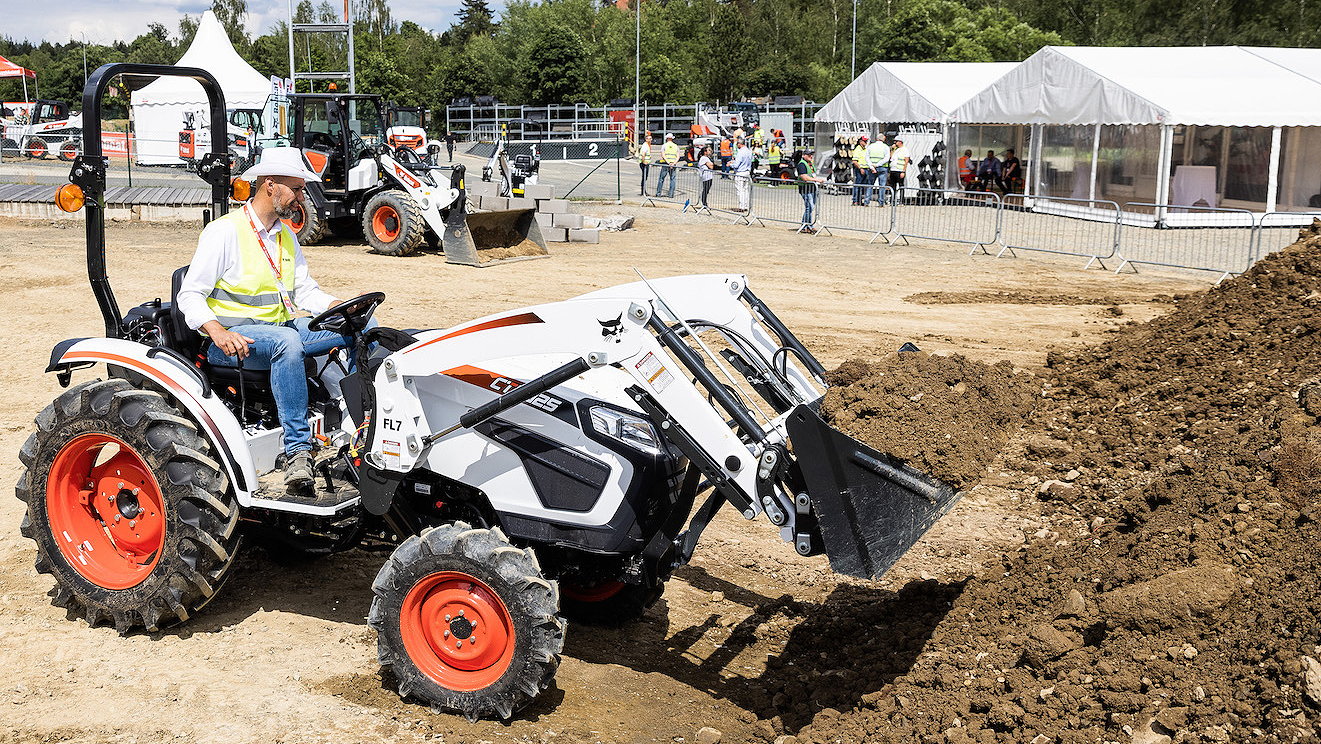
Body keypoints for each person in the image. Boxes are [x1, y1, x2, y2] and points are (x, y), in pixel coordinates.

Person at [177, 147, 357, 492]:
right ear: (270, 185)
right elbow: (190, 295)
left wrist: (338, 306)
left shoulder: (285, 236)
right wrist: (215, 330)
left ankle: (359, 428)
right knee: (287, 343)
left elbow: (304, 292)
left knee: (361, 326)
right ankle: (298, 451)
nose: (302, 197)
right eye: (297, 189)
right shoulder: (225, 232)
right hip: (230, 341)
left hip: (278, 330)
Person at [793, 149, 823, 233]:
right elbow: (804, 177)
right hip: (805, 189)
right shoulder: (802, 164)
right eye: (809, 154)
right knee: (809, 207)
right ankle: (807, 225)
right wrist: (816, 180)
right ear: (804, 155)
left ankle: (807, 225)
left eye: (812, 154)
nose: (811, 156)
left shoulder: (810, 164)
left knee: (810, 207)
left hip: (812, 188)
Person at [864, 133, 890, 206]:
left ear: (876, 139)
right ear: (883, 139)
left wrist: (872, 166)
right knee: (882, 186)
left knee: (870, 185)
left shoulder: (870, 146)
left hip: (872, 168)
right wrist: (878, 164)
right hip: (882, 168)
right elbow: (886, 158)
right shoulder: (886, 147)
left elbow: (867, 157)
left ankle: (866, 201)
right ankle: (881, 202)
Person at [655, 132, 680, 198]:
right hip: (673, 164)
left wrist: (668, 162)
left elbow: (663, 155)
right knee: (673, 179)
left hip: (666, 164)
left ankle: (658, 193)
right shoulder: (676, 146)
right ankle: (671, 194)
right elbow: (678, 156)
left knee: (661, 179)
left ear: (667, 138)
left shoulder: (664, 145)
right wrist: (673, 163)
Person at [732, 136, 753, 212]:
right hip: (747, 172)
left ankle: (742, 206)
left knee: (740, 190)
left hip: (740, 172)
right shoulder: (749, 151)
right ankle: (746, 205)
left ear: (739, 144)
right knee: (745, 189)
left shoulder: (740, 152)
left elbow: (736, 165)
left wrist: (731, 164)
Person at [851, 136, 869, 205]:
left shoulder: (865, 149)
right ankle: (855, 200)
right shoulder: (857, 149)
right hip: (860, 169)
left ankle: (859, 200)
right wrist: (860, 168)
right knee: (858, 185)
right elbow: (855, 161)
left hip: (866, 169)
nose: (866, 142)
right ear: (860, 142)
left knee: (862, 186)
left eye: (866, 141)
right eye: (865, 141)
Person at [697, 144, 715, 209]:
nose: (710, 152)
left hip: (708, 176)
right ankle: (704, 203)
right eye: (708, 151)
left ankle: (705, 203)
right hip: (706, 177)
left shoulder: (706, 158)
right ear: (705, 152)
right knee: (705, 190)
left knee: (706, 190)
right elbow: (711, 166)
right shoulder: (704, 158)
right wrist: (711, 164)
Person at [637, 132, 653, 196]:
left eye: (651, 138)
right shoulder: (645, 145)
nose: (651, 140)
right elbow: (643, 154)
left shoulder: (647, 145)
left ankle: (644, 191)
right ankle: (643, 191)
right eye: (649, 139)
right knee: (644, 177)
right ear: (646, 139)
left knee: (645, 177)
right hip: (644, 163)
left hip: (646, 163)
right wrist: (644, 162)